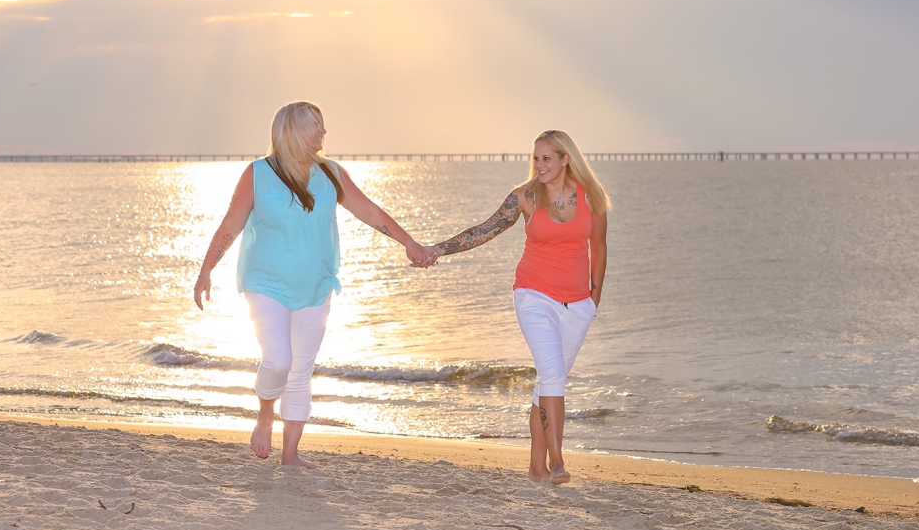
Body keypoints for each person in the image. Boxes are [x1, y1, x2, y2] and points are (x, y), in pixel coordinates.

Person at [194, 101, 429, 468]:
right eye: (315, 125)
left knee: (301, 368)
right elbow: (230, 225)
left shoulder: (331, 173)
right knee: (278, 360)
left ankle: (290, 455)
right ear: (291, 130)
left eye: (323, 125)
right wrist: (206, 270)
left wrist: (409, 243)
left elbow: (368, 210)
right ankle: (265, 412)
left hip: (316, 285)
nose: (323, 131)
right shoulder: (257, 173)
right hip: (265, 282)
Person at [421, 130, 609, 484]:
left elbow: (599, 248)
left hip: (578, 304)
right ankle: (558, 462)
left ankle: (536, 468)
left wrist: (593, 299)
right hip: (533, 296)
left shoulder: (591, 198)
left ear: (566, 159)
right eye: (536, 158)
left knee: (548, 382)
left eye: (547, 159)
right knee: (553, 374)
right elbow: (484, 230)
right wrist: (438, 250)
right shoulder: (524, 198)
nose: (539, 165)